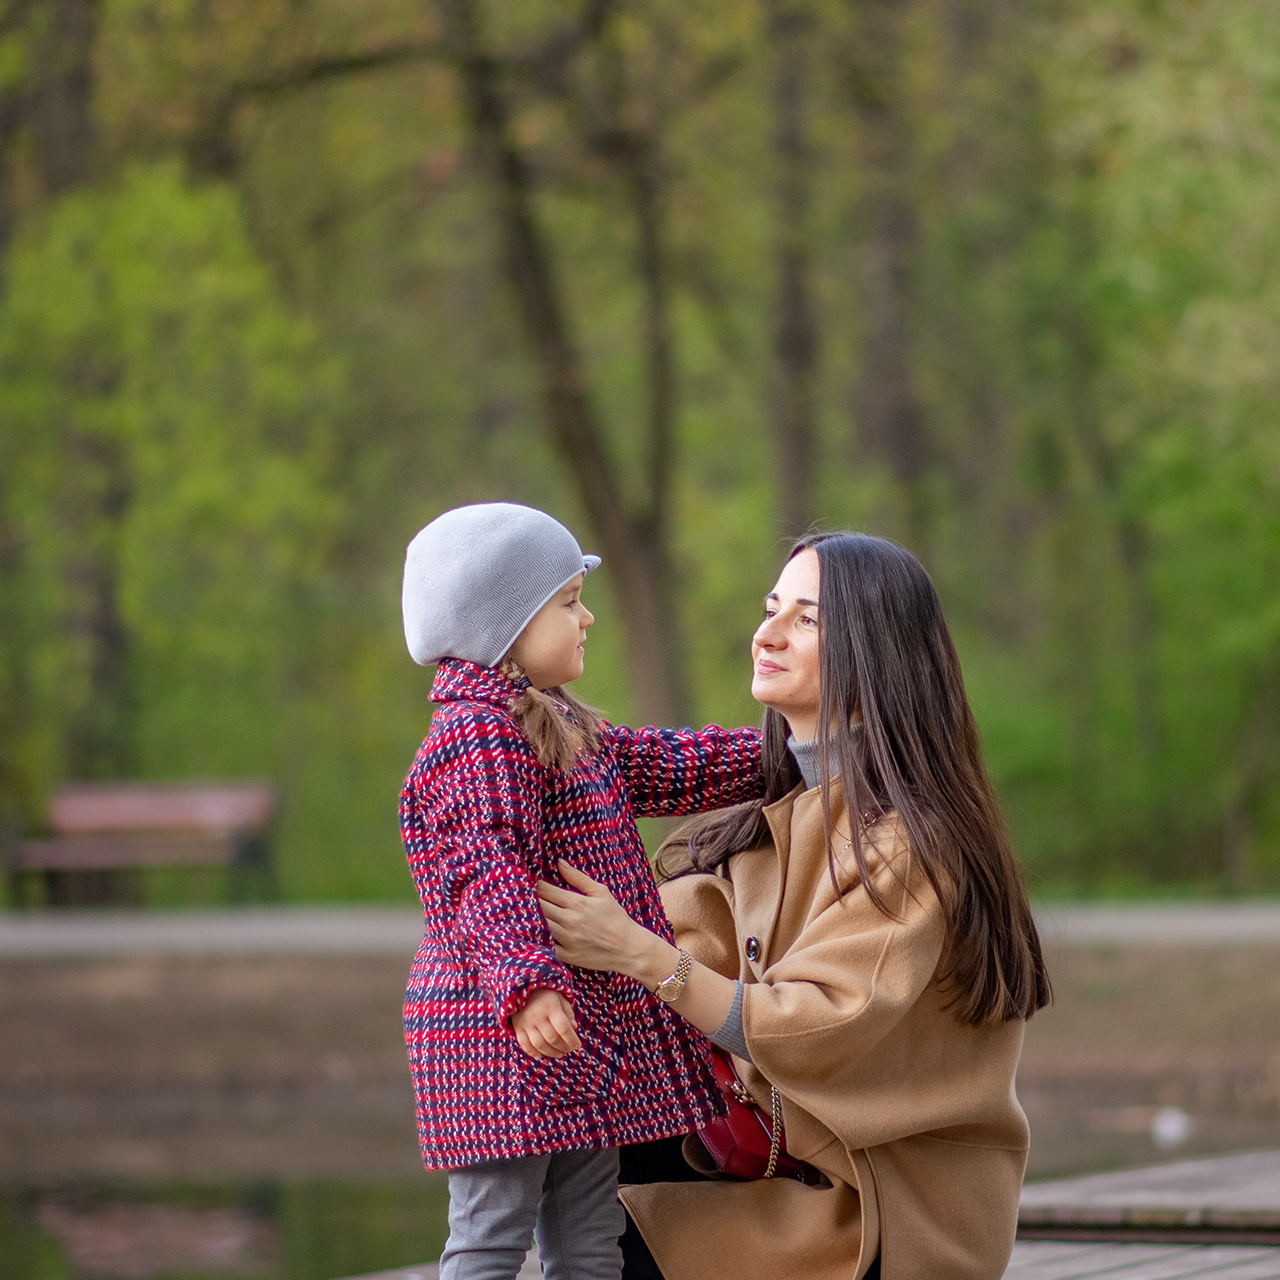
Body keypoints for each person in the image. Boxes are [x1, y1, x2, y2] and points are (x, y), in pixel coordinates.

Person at [537, 531, 1052, 1280]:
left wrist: (642, 956)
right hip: (769, 1156)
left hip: (882, 1213)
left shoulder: (910, 846)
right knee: (581, 1168)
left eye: (806, 620)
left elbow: (810, 1026)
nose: (767, 632)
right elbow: (678, 941)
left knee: (606, 1239)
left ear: (876, 650)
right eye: (771, 607)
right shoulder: (760, 817)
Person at [398, 502, 764, 1280]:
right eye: (567, 602)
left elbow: (666, 763)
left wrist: (782, 752)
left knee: (588, 1232)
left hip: (578, 1032)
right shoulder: (479, 735)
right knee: (493, 1233)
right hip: (501, 1030)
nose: (587, 616)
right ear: (503, 625)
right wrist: (527, 986)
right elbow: (480, 869)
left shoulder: (554, 723)